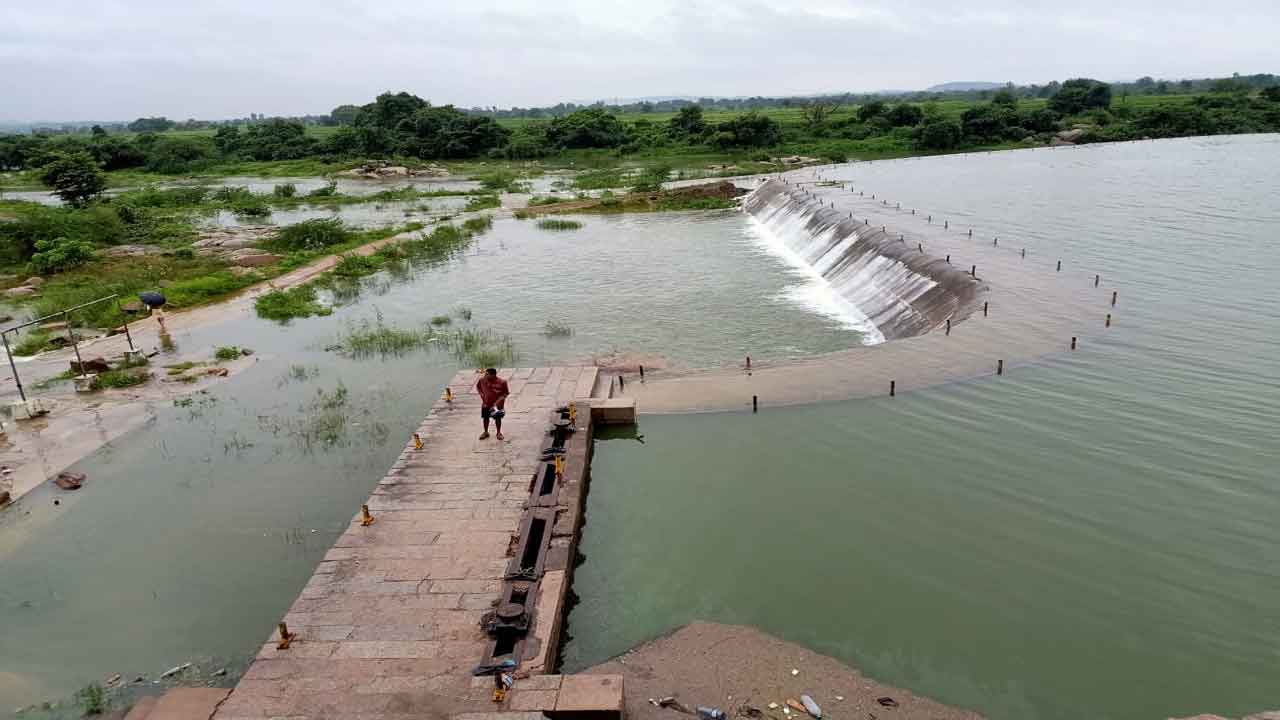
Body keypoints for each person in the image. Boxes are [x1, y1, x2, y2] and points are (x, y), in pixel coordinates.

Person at [475, 368, 510, 440]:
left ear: (493, 375)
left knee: (498, 418)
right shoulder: (482, 380)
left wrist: (497, 403)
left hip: (497, 405)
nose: (485, 375)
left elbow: (506, 393)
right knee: (485, 418)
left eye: (487, 374)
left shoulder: (502, 382)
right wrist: (482, 395)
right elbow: (478, 387)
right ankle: (485, 432)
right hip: (486, 404)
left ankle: (498, 433)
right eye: (485, 374)